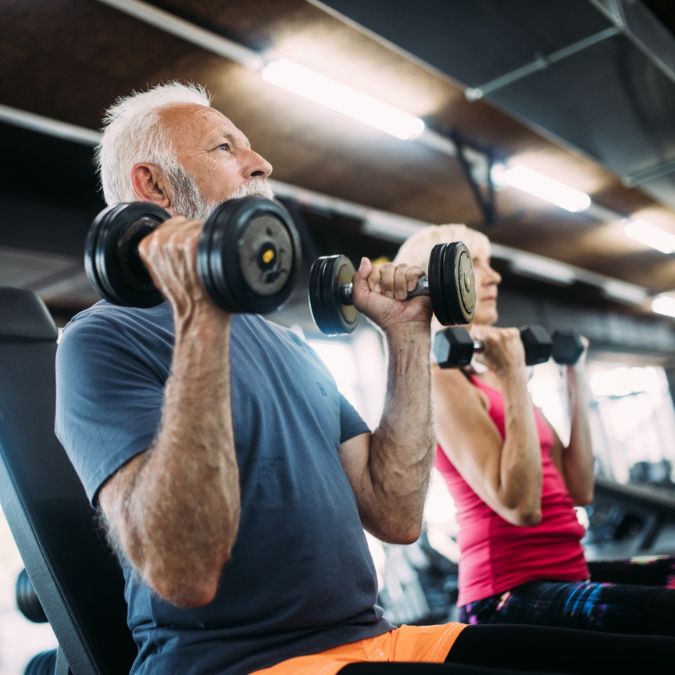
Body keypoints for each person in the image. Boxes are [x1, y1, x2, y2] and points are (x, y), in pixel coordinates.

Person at [55, 82, 675, 675]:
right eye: (225, 146)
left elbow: (397, 513)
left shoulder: (289, 344)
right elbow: (185, 572)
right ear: (153, 184)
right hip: (246, 665)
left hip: (375, 640)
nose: (261, 162)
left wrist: (406, 336)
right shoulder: (101, 340)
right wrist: (201, 312)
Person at [394, 224, 675, 637]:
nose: (493, 277)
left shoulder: (495, 377)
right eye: (474, 264)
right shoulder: (441, 380)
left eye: (489, 265)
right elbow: (521, 506)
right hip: (504, 595)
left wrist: (574, 375)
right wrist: (513, 380)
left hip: (566, 569)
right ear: (434, 279)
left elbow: (578, 487)